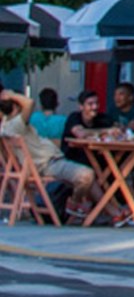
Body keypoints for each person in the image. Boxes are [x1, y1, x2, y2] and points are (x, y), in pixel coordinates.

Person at [1, 87, 114, 224]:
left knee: (90, 177)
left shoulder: (7, 126)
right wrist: (12, 95)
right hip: (48, 163)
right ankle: (74, 205)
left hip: (46, 162)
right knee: (86, 175)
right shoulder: (16, 124)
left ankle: (113, 212)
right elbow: (29, 102)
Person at [62, 89, 118, 165]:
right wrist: (106, 131)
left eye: (97, 103)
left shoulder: (103, 118)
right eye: (90, 104)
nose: (95, 107)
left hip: (97, 158)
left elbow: (117, 129)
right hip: (74, 161)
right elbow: (80, 133)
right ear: (81, 106)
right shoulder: (74, 117)